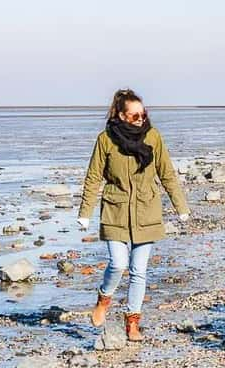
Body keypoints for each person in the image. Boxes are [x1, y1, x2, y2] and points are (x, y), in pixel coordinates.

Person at [77, 89, 190, 341]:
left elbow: (167, 173)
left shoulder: (153, 137)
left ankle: (133, 322)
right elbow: (94, 176)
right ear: (121, 116)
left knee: (139, 269)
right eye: (135, 115)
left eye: (143, 114)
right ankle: (104, 299)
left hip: (146, 210)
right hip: (115, 210)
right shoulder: (106, 139)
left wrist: (180, 207)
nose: (141, 119)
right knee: (118, 263)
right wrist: (85, 212)